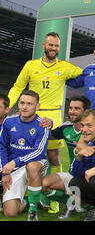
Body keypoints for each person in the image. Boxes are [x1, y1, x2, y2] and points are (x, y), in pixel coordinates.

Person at [7, 32, 83, 214]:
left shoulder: (65, 67)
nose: (53, 48)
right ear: (43, 46)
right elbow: (18, 87)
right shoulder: (30, 66)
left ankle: (54, 201)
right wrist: (6, 107)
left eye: (56, 46)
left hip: (53, 117)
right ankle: (25, 193)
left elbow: (85, 74)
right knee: (25, 152)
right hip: (31, 117)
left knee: (54, 157)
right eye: (50, 45)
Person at [0, 90, 50, 221]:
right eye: (22, 103)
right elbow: (2, 146)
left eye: (29, 104)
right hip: (13, 168)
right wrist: (5, 172)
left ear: (37, 106)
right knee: (10, 213)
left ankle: (32, 212)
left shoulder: (43, 125)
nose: (25, 107)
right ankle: (29, 201)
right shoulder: (9, 122)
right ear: (18, 104)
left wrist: (15, 162)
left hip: (36, 164)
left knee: (32, 166)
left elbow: (39, 152)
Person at [41, 95, 90, 219]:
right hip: (72, 174)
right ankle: (76, 203)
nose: (72, 111)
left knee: (81, 188)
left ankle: (86, 206)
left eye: (76, 109)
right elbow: (48, 135)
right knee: (42, 185)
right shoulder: (65, 127)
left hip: (89, 178)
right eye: (71, 108)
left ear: (85, 112)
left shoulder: (92, 131)